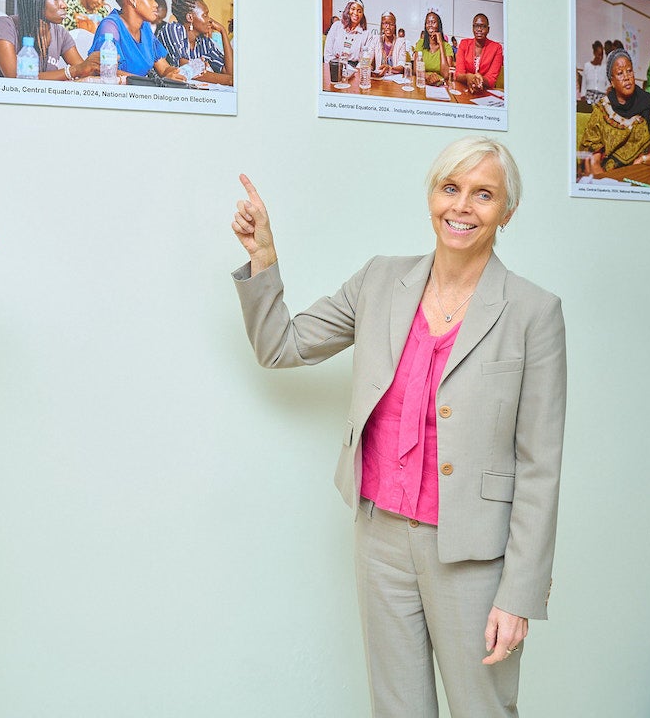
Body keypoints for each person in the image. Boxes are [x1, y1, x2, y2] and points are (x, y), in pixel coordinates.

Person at [230, 136, 566, 718]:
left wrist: (520, 596)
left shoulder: (535, 312)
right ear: (432, 196)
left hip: (474, 555)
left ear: (507, 211)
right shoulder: (380, 282)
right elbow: (281, 346)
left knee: (483, 710)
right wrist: (264, 256)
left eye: (483, 194)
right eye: (450, 188)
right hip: (380, 538)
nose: (462, 207)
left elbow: (540, 466)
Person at [0, 0, 100, 80]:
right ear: (36, 0)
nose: (64, 5)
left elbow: (83, 70)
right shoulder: (5, 26)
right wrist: (73, 71)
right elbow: (14, 75)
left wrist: (97, 68)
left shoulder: (60, 34)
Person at [579, 48, 650, 176]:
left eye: (629, 71)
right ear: (612, 81)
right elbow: (591, 160)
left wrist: (644, 159)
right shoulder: (602, 110)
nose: (627, 77)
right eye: (620, 73)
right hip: (610, 176)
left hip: (642, 172)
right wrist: (609, 186)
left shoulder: (648, 104)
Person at [88, 0, 185, 81]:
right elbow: (105, 72)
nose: (156, 4)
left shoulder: (145, 28)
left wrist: (175, 73)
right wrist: (150, 83)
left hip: (140, 92)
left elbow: (163, 69)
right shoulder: (110, 27)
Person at [156, 0, 233, 86]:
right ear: (190, 18)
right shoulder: (173, 29)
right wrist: (229, 81)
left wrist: (223, 31)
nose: (209, 20)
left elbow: (229, 71)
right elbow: (186, 69)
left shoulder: (204, 42)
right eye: (205, 15)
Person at [455, 13, 503, 92]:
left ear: (488, 29)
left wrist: (480, 79)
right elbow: (458, 75)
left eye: (483, 26)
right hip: (465, 89)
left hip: (484, 91)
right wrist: (468, 77)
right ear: (473, 28)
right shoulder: (464, 44)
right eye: (476, 26)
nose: (479, 29)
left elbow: (491, 80)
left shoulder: (497, 48)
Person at [323, 0, 374, 64]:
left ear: (362, 15)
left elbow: (366, 58)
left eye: (359, 11)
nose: (355, 13)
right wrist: (335, 66)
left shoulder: (367, 34)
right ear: (347, 10)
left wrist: (357, 70)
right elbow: (327, 53)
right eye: (353, 9)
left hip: (355, 69)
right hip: (334, 66)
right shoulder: (336, 26)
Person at [412, 10, 453, 86]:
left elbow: (446, 74)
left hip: (440, 84)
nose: (430, 25)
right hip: (422, 82)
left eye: (433, 22)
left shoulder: (447, 46)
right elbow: (415, 70)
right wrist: (428, 77)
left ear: (439, 25)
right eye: (428, 22)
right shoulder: (421, 43)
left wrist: (441, 43)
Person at [372, 11, 407, 75]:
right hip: (379, 78)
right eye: (385, 23)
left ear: (395, 26)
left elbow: (402, 66)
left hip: (394, 80)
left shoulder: (401, 42)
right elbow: (369, 58)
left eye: (391, 24)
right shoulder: (375, 40)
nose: (388, 27)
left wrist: (390, 69)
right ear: (381, 25)